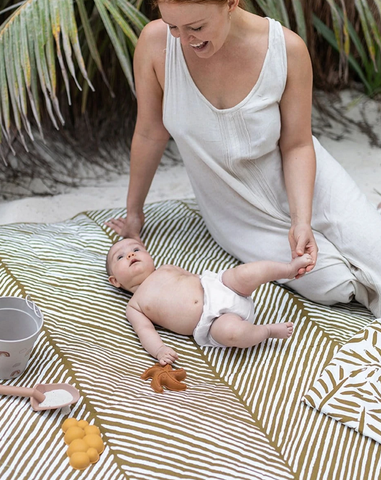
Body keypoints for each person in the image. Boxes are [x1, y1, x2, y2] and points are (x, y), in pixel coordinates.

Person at [106, 0, 381, 317]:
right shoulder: (155, 46)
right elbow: (149, 133)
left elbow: (297, 145)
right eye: (173, 27)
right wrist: (134, 212)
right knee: (333, 283)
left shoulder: (286, 49)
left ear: (231, 2)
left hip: (310, 183)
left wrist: (301, 220)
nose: (185, 39)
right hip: (237, 210)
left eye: (196, 27)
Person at [107, 238, 312, 364]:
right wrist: (159, 350)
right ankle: (267, 331)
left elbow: (194, 278)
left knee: (247, 272)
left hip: (220, 287)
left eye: (136, 249)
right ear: (115, 281)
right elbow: (145, 332)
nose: (131, 254)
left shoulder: (166, 268)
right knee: (233, 334)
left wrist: (218, 284)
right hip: (211, 322)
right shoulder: (135, 305)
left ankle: (289, 269)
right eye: (120, 257)